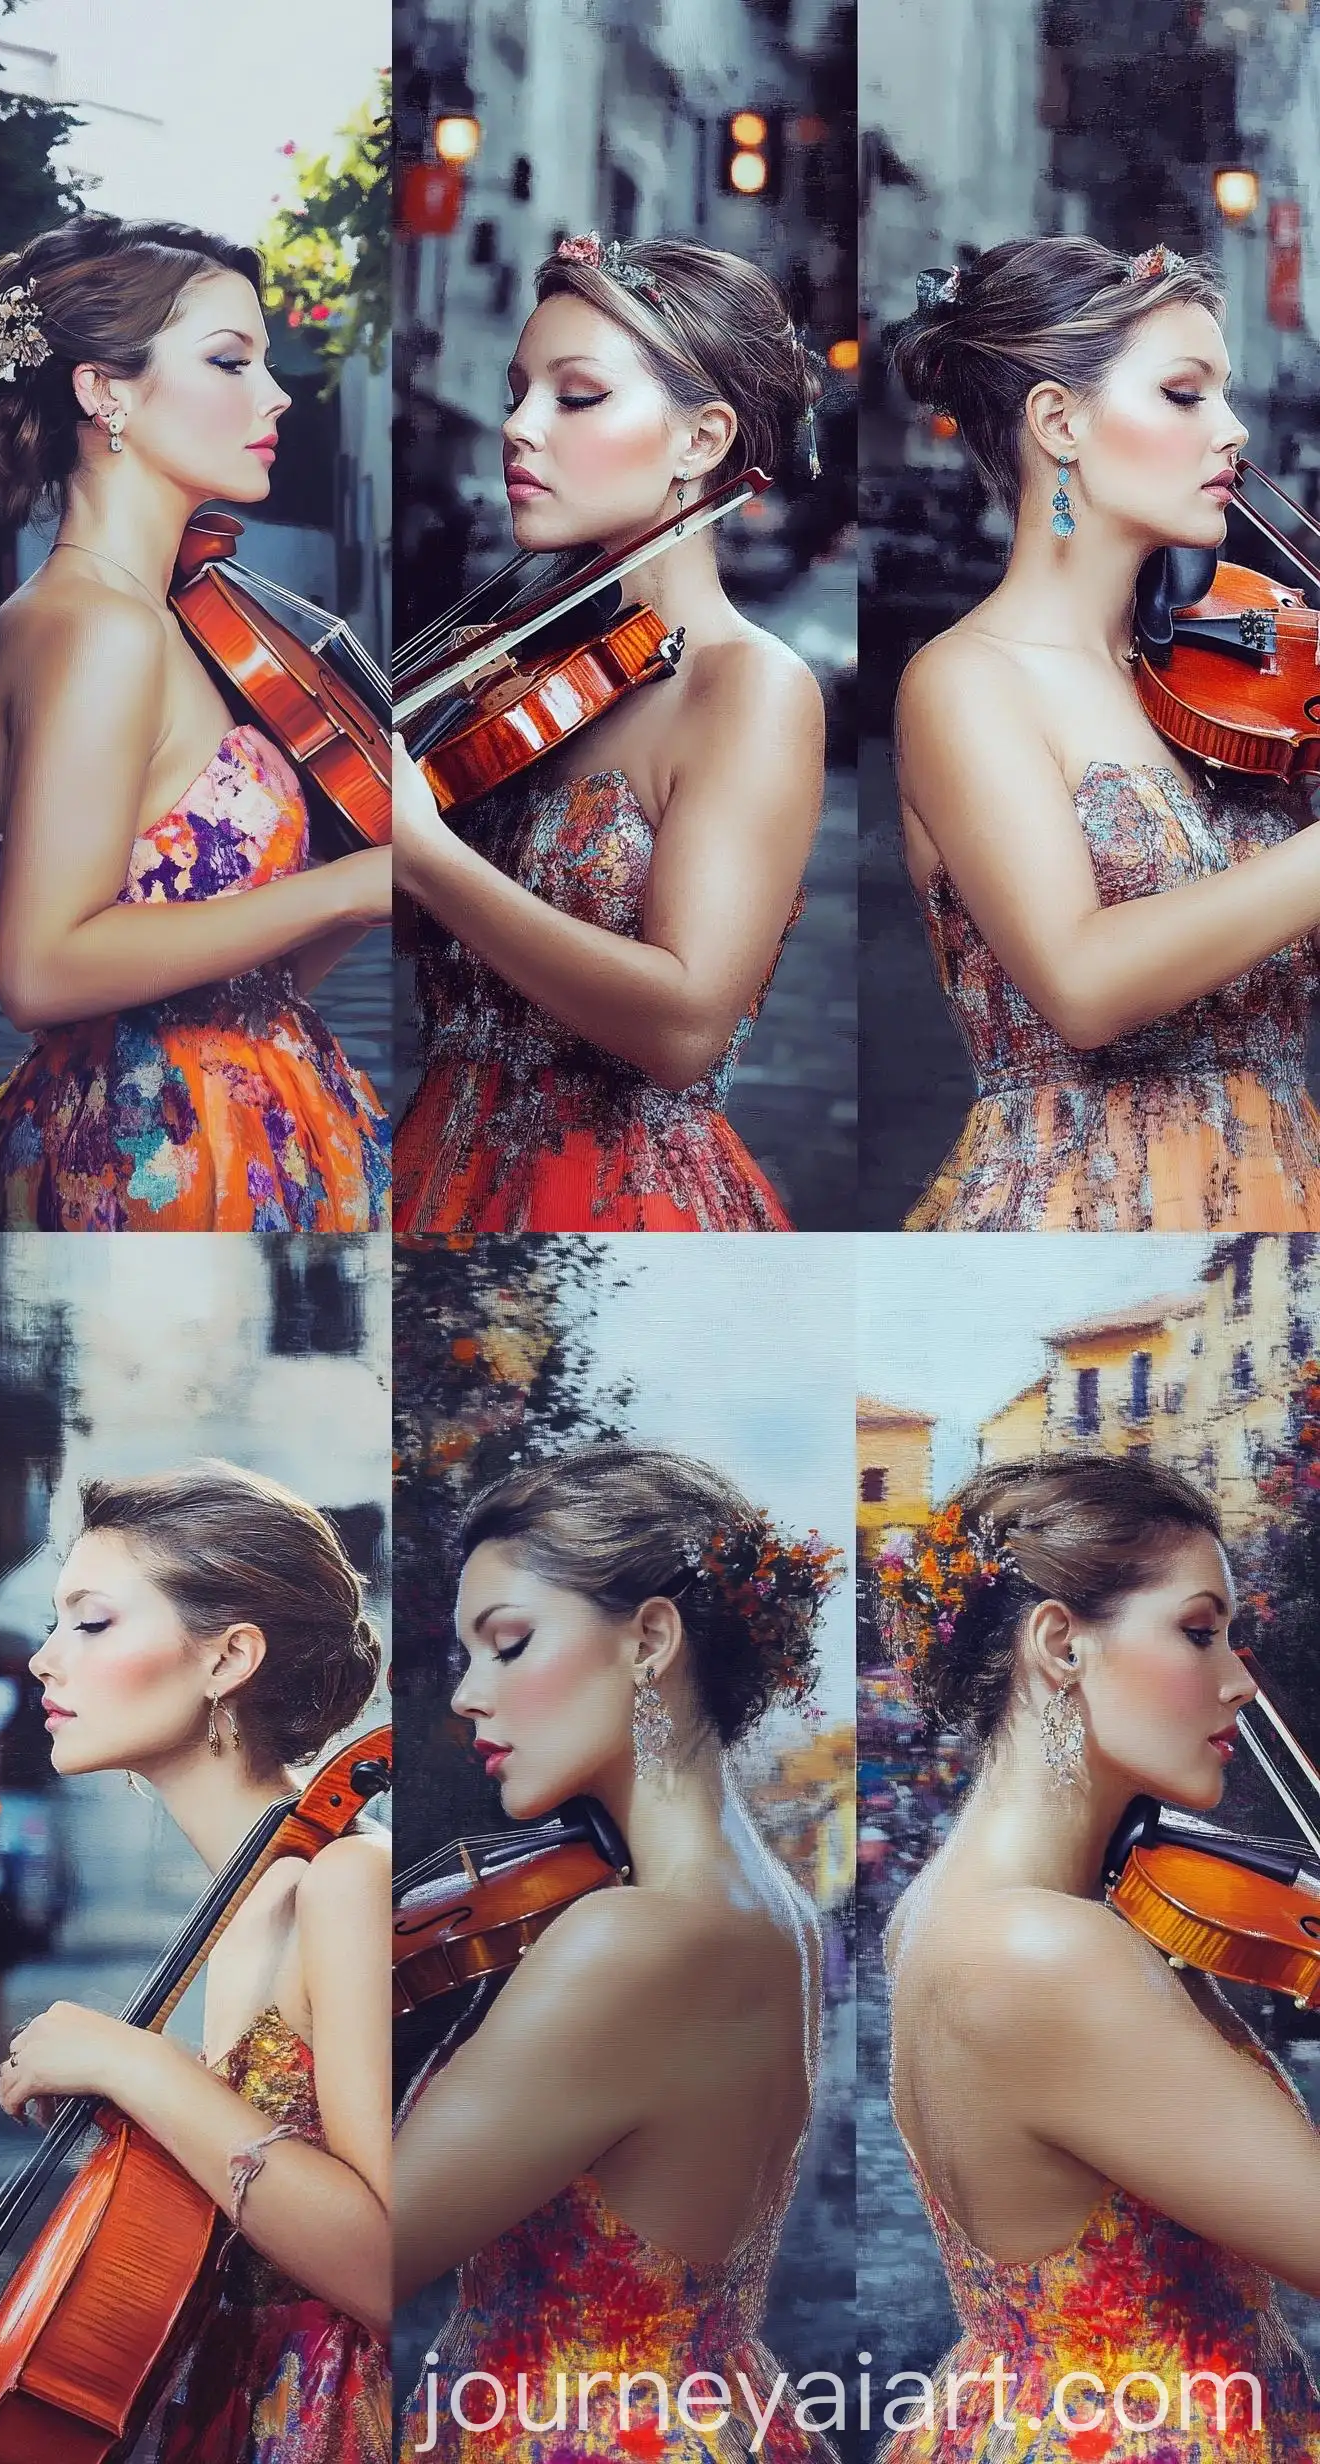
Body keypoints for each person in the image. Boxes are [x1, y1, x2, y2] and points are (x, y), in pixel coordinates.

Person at [0, 213, 392, 1232]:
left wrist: (349, 903)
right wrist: (352, 880)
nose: (274, 395)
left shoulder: (130, 615)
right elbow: (43, 966)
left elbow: (231, 968)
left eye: (264, 363)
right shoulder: (100, 628)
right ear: (104, 392)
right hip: (163, 1162)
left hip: (228, 1128)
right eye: (230, 360)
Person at [393, 1444, 840, 2461]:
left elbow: (359, 2251)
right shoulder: (774, 1907)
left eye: (505, 1643)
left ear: (648, 1639)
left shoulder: (628, 1938)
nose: (466, 1691)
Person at [875, 1455, 1320, 2461]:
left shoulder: (945, 1911)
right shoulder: (1041, 1950)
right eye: (1197, 1631)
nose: (1238, 1679)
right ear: (1057, 1644)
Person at [391, 235, 825, 1232]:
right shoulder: (529, 683)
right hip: (430, 1181)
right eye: (517, 392)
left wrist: (423, 856)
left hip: (612, 1207)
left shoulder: (749, 687)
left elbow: (683, 1026)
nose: (517, 426)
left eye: (574, 397)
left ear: (700, 439)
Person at [889, 238, 1320, 1231]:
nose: (1232, 429)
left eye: (1222, 393)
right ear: (1057, 421)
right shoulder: (964, 682)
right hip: (1086, 1210)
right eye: (1183, 394)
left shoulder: (1234, 681)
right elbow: (1081, 984)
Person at [0, 1463, 390, 2461]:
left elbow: (391, 2263)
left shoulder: (342, 1881)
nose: (43, 1660)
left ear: (226, 1659)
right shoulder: (234, 1896)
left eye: (89, 1621)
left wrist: (135, 2064)